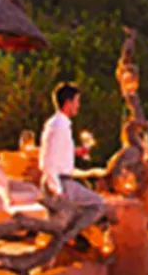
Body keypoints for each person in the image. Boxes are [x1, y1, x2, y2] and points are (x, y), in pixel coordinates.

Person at [39, 82, 102, 210]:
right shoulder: (59, 127)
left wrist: (74, 151)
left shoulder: (56, 124)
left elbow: (55, 151)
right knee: (99, 204)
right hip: (61, 183)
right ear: (68, 103)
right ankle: (74, 230)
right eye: (77, 101)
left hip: (58, 181)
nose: (78, 106)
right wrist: (57, 190)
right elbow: (48, 161)